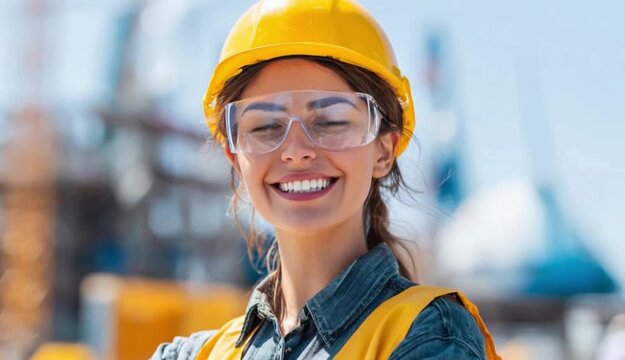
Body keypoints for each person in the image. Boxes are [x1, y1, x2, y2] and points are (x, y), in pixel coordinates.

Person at [152, 0, 500, 359]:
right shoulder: (195, 354)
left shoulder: (428, 335)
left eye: (331, 121)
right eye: (266, 126)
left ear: (383, 149)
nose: (296, 150)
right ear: (235, 159)